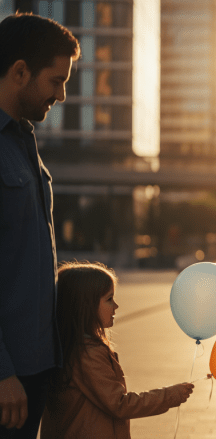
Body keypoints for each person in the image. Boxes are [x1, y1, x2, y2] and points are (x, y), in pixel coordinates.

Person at [0, 13, 80, 438]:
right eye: (56, 80)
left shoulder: (23, 142)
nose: (62, 94)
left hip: (33, 369)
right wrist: (2, 374)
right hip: (6, 379)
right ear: (19, 72)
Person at [40, 261, 194, 439]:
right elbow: (120, 404)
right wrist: (169, 395)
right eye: (109, 299)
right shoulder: (88, 353)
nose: (116, 306)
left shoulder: (69, 346)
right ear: (85, 306)